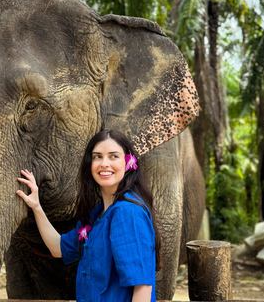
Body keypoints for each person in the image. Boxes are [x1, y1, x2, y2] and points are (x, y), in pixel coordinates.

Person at [17, 129, 162, 302]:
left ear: (129, 163)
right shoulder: (96, 216)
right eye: (97, 157)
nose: (104, 164)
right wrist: (36, 206)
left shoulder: (127, 212)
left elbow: (142, 288)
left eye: (114, 156)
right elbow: (58, 248)